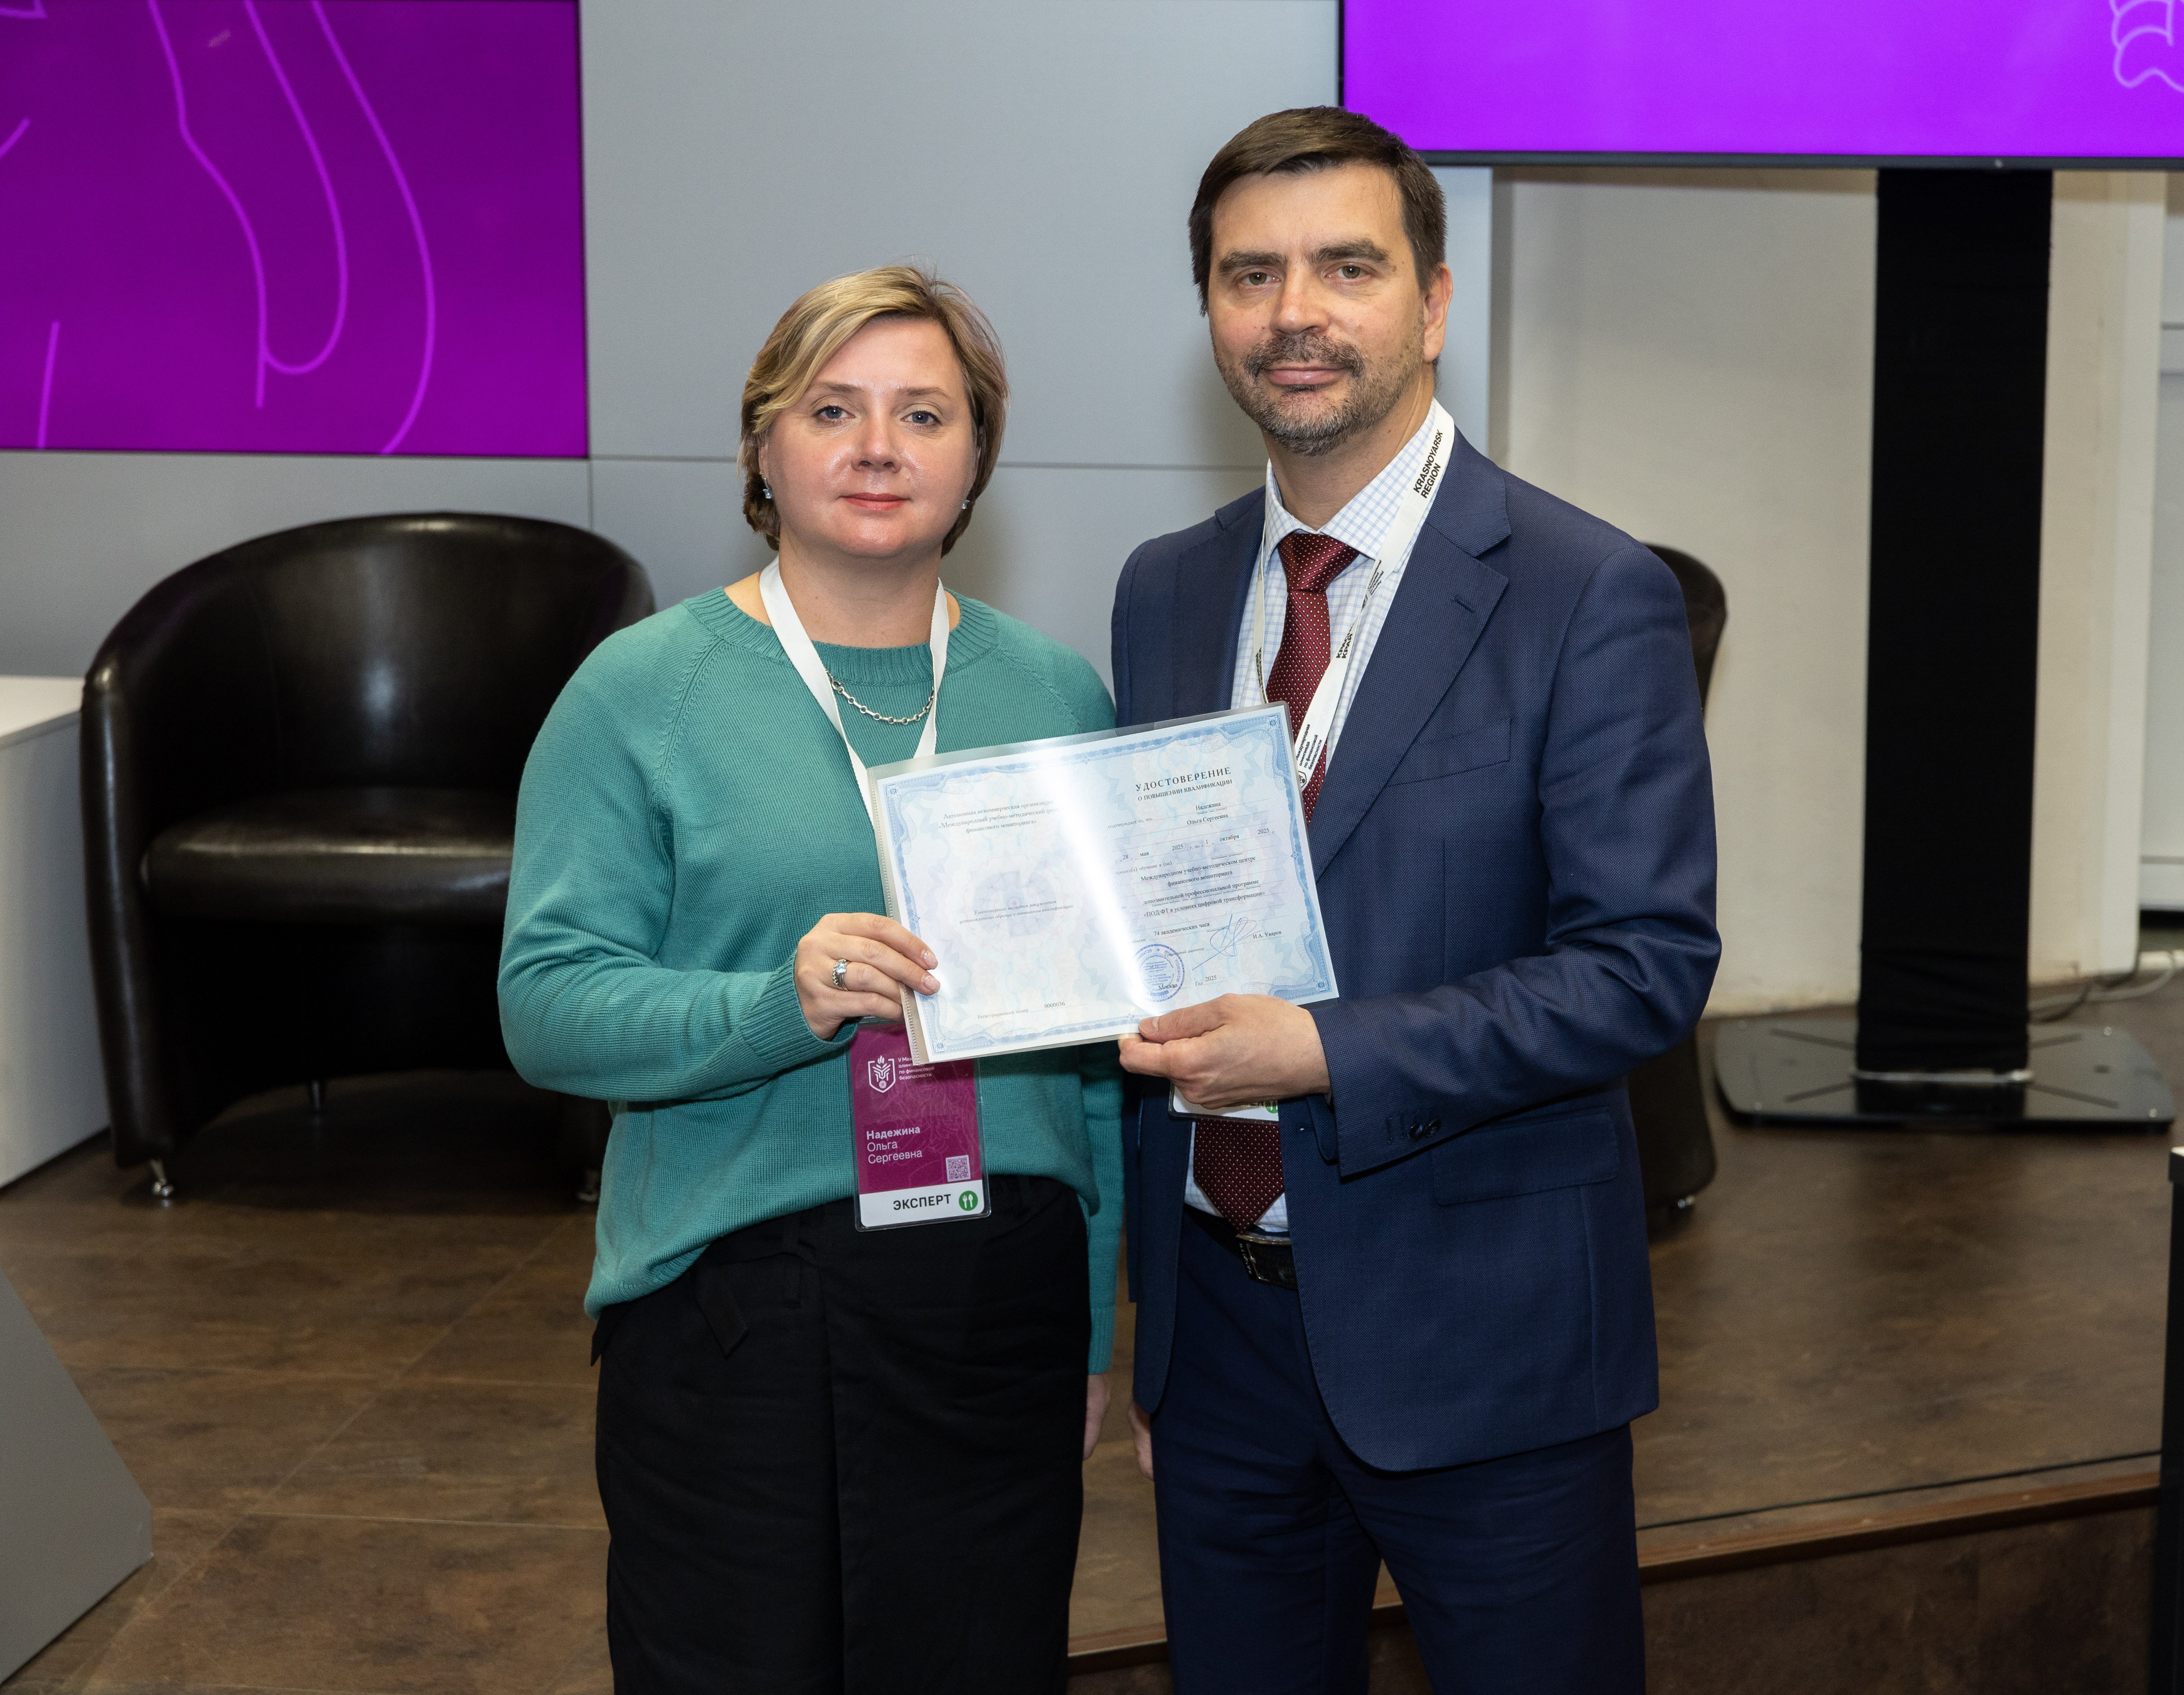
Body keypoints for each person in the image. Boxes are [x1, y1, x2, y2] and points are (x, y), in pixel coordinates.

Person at [1110, 108, 1720, 1693]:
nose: (1295, 312)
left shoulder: (1588, 592)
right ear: (1212, 313)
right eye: (1251, 274)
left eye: (1347, 267)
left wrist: (1324, 1052)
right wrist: (1154, 1339)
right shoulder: (1166, 587)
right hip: (1220, 1344)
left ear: (1434, 302)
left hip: (1489, 1345)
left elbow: (1642, 966)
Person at [499, 266, 1123, 1693]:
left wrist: (1091, 1328)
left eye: (926, 414)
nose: (879, 447)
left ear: (977, 458)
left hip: (1000, 1301)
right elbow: (546, 1003)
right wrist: (773, 1004)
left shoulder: (1057, 697)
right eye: (833, 409)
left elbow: (1094, 1061)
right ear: (761, 447)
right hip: (740, 1310)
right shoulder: (640, 690)